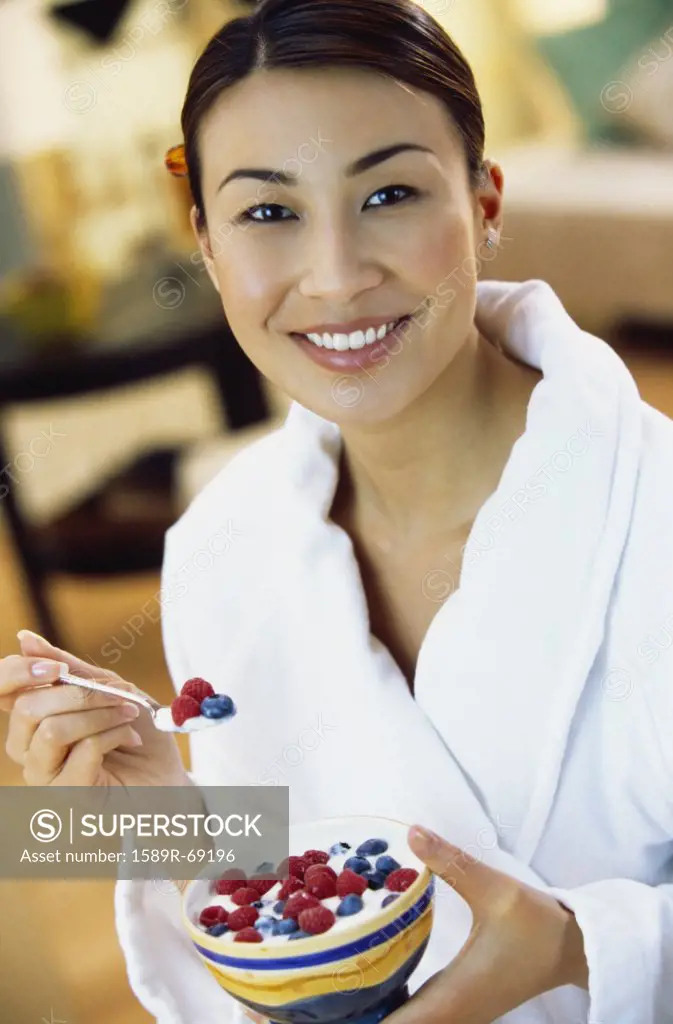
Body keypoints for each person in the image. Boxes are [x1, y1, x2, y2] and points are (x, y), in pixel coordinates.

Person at [2, 0, 672, 1021]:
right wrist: (161, 812)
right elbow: (296, 898)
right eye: (268, 213)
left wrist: (582, 948)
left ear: (487, 203)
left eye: (389, 192)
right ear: (207, 246)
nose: (335, 277)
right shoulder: (220, 545)